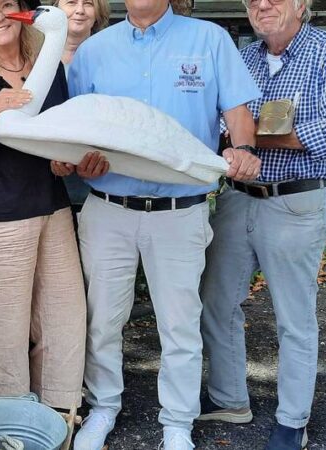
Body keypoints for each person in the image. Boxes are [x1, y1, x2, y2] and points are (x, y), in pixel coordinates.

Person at [66, 0, 262, 448]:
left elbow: (237, 112)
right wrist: (80, 163)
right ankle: (103, 407)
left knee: (180, 324)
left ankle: (177, 423)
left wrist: (243, 148)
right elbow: (77, 127)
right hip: (107, 208)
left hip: (180, 211)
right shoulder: (95, 49)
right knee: (103, 320)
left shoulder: (208, 38)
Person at [197, 0, 326, 448]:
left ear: (302, 4)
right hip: (238, 199)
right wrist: (240, 134)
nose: (263, 4)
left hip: (295, 201)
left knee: (294, 318)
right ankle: (229, 398)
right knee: (216, 302)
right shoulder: (242, 56)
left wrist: (250, 135)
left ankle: (292, 420)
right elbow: (219, 122)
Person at [0, 0, 87, 409]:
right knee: (5, 333)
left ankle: (60, 416)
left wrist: (65, 160)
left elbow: (59, 139)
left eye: (6, 5)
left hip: (53, 209)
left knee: (64, 321)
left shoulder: (50, 68)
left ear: (23, 14)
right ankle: (7, 423)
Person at [53, 0, 109, 228]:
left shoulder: (110, 59)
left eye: (88, 3)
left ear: (98, 13)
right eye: (71, 2)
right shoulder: (32, 57)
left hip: (97, 191)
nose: (79, 10)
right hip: (44, 191)